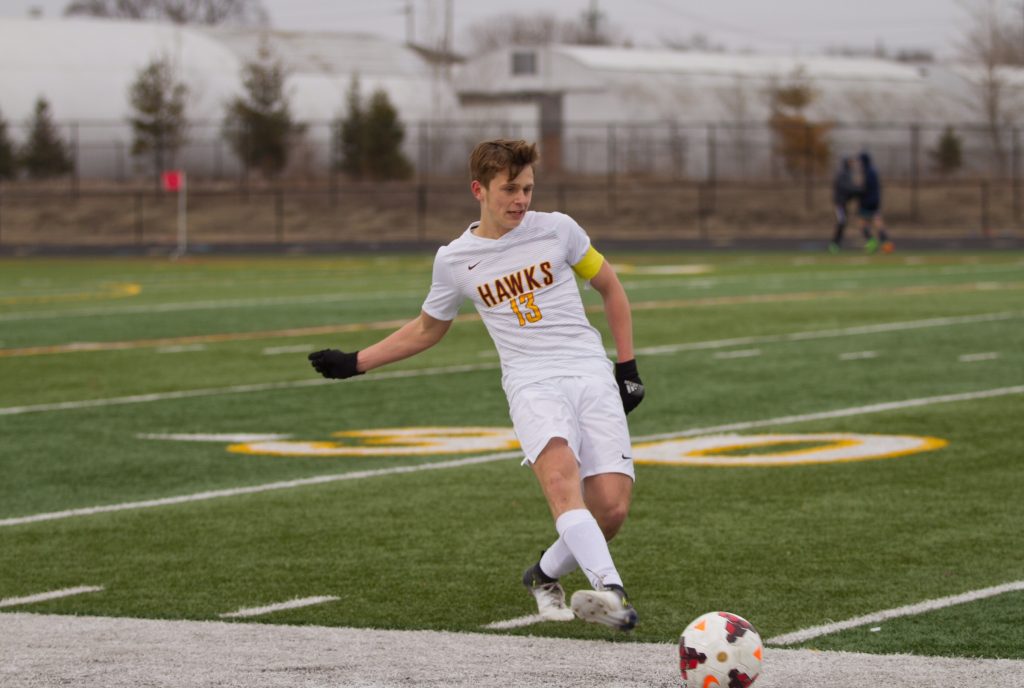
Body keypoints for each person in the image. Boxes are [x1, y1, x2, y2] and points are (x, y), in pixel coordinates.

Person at [307, 139, 645, 631]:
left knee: (610, 510)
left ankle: (543, 574)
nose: (520, 199)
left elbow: (611, 287)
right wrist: (356, 362)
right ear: (478, 190)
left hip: (589, 370)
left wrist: (627, 368)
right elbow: (428, 328)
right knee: (560, 484)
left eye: (527, 188)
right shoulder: (454, 260)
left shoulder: (558, 230)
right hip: (531, 382)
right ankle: (611, 591)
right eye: (509, 189)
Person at [856, 151, 893, 254]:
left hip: (868, 203)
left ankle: (874, 244)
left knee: (864, 225)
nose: (859, 163)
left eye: (860, 161)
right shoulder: (872, 171)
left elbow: (865, 189)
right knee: (878, 224)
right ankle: (886, 244)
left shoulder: (868, 172)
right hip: (874, 202)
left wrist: (857, 192)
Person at [828, 156, 859, 254]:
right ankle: (834, 244)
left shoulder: (847, 174)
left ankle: (836, 243)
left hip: (843, 203)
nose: (852, 165)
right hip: (840, 204)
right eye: (850, 162)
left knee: (843, 222)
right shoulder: (843, 174)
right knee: (842, 222)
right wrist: (858, 190)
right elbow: (846, 188)